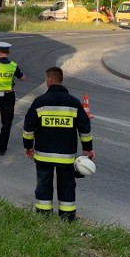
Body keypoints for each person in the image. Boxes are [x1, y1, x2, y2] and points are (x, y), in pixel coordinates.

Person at [22, 66, 94, 222]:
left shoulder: (40, 102)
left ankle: (43, 215)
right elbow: (85, 129)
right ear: (61, 80)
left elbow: (28, 127)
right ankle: (67, 217)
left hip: (43, 155)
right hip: (66, 157)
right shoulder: (73, 103)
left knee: (44, 184)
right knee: (67, 185)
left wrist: (28, 146)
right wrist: (88, 150)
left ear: (49, 80)